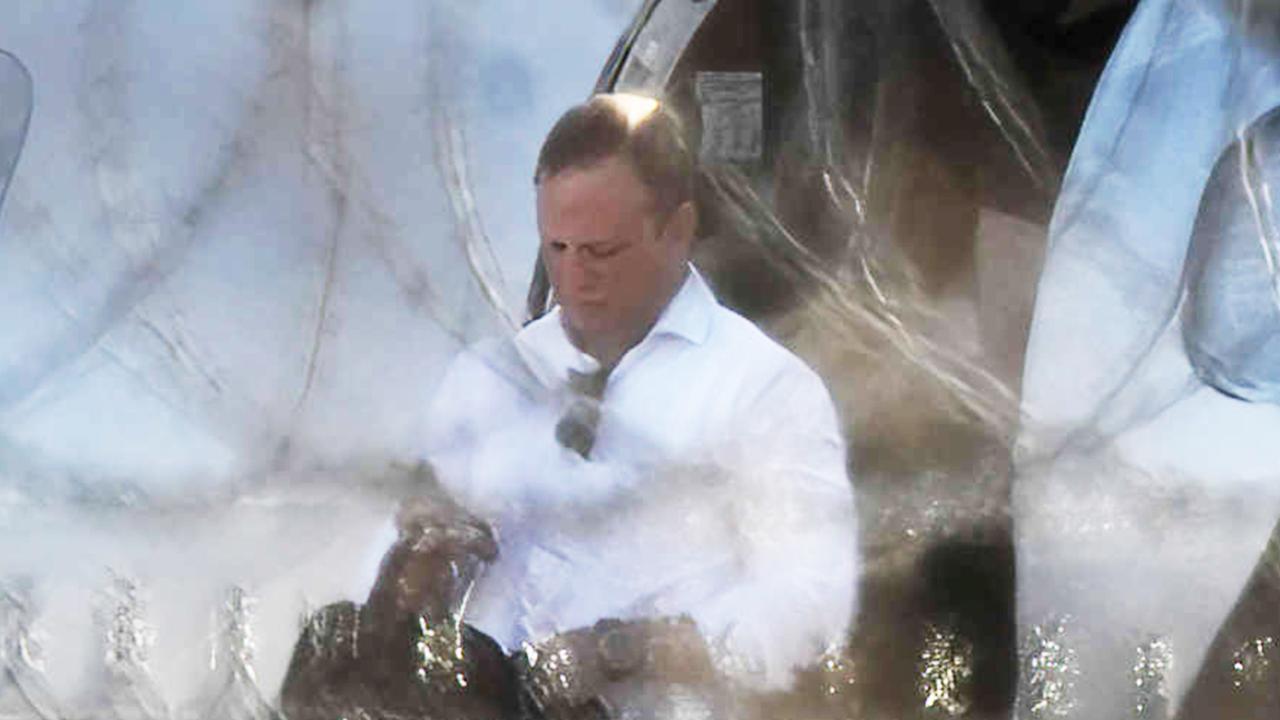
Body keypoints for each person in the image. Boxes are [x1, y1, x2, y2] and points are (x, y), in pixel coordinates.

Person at [360, 93, 858, 714]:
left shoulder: (762, 389)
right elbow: (384, 567)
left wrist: (626, 650)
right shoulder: (488, 377)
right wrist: (411, 577)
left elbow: (809, 606)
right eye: (557, 249)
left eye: (602, 251)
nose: (575, 278)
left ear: (677, 231)